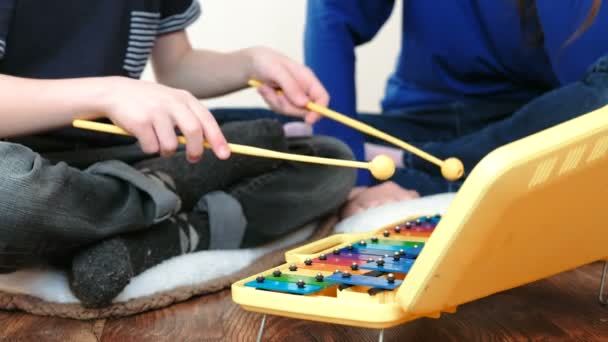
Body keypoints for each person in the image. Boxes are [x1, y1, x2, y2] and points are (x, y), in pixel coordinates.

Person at [0, 0, 356, 308]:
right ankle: (167, 191)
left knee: (327, 159)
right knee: (9, 196)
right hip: (19, 162)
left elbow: (177, 65)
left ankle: (163, 230)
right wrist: (106, 92)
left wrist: (250, 63)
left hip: (119, 151)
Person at [303, 0, 608, 217]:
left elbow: (587, 77)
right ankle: (434, 171)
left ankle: (420, 165)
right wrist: (350, 181)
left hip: (532, 126)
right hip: (421, 121)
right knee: (260, 134)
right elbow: (333, 17)